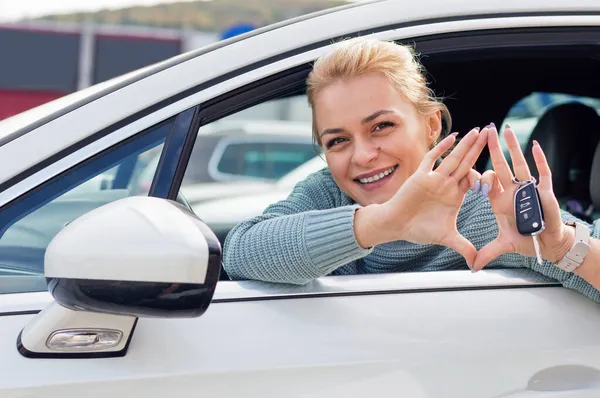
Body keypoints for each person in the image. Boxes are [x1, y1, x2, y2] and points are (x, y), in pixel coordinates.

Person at [222, 37, 600, 303]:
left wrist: (561, 247)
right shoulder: (327, 193)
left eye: (381, 126)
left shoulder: (486, 210)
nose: (364, 155)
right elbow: (240, 252)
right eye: (337, 141)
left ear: (432, 125)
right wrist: (384, 223)